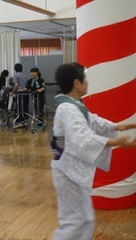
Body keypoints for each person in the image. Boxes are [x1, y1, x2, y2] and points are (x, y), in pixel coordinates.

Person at [51, 63, 136, 240]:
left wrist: (117, 126)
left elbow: (93, 121)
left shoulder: (74, 105)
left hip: (71, 170)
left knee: (85, 219)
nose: (88, 82)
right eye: (85, 78)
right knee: (74, 222)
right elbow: (81, 138)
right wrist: (114, 141)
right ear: (77, 83)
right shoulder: (67, 108)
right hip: (66, 172)